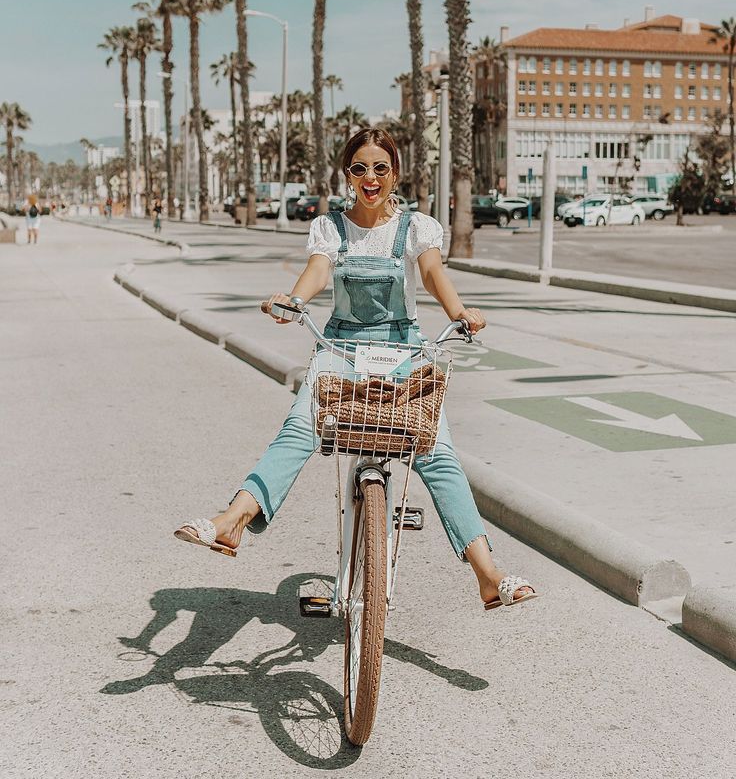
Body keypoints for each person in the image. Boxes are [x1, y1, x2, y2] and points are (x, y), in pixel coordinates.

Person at [175, 128, 537, 611]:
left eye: (380, 168)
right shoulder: (330, 227)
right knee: (299, 429)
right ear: (347, 174)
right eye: (359, 168)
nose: (370, 178)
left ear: (396, 173)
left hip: (404, 349)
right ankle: (234, 520)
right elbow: (319, 270)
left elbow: (431, 272)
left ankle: (488, 575)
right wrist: (294, 300)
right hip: (341, 347)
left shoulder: (417, 228)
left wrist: (459, 313)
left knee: (435, 451)